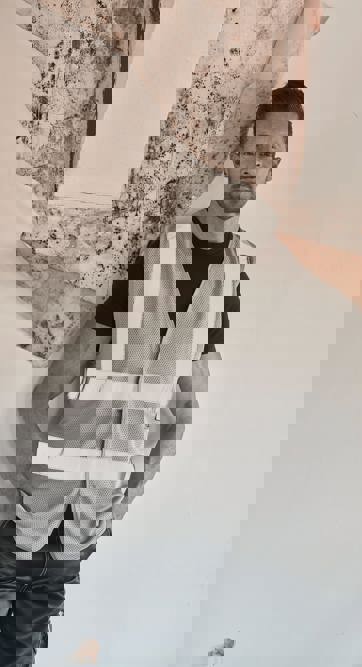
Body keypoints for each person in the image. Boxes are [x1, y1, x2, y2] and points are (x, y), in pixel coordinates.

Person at [0, 81, 306, 665]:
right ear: (233, 152)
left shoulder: (232, 274)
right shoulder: (162, 249)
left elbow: (185, 400)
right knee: (7, 590)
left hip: (101, 492)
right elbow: (61, 377)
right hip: (48, 478)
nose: (259, 166)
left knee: (34, 622)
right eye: (256, 150)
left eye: (272, 157)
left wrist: (132, 488)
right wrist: (18, 479)